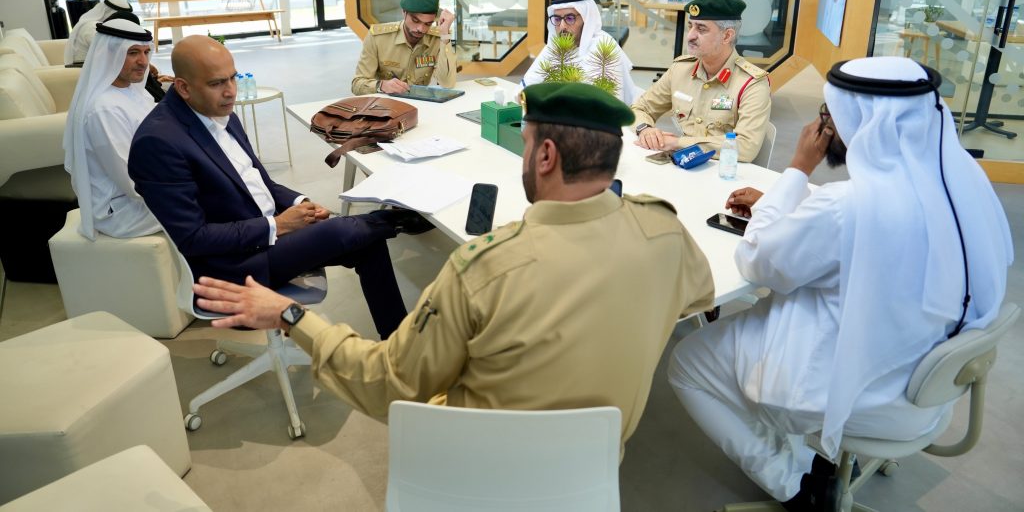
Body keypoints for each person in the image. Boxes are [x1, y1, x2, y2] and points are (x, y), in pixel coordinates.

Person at [192, 82, 716, 450]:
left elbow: (386, 384)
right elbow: (697, 298)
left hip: (481, 464)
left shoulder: (483, 269)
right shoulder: (665, 230)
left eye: (525, 144)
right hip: (596, 464)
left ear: (546, 156)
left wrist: (288, 315)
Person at [668, 57, 1012, 511]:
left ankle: (796, 487)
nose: (821, 127)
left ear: (860, 124)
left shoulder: (846, 206)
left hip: (850, 390)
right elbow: (862, 233)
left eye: (828, 116)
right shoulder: (964, 184)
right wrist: (789, 204)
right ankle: (805, 461)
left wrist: (797, 169)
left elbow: (756, 262)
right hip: (926, 384)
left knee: (688, 362)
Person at [128, 35, 433, 338]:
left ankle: (399, 345)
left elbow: (258, 181)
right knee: (343, 230)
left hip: (263, 235)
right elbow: (194, 239)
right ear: (183, 87)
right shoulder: (158, 142)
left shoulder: (216, 109)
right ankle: (395, 219)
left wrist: (300, 203)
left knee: (366, 242)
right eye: (217, 83)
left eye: (233, 78)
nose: (231, 91)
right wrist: (278, 225)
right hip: (234, 266)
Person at [631, 0, 771, 161]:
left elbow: (746, 146)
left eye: (701, 29)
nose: (690, 35)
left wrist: (677, 143)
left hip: (724, 171)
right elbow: (640, 108)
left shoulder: (751, 84)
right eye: (690, 26)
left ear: (727, 36)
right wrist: (645, 129)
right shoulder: (680, 70)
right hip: (683, 166)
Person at [62, 18, 162, 240]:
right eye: (133, 52)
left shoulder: (133, 91)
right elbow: (133, 181)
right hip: (122, 211)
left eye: (146, 52)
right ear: (109, 54)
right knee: (218, 201)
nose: (143, 61)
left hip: (146, 193)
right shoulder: (104, 109)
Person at [520, 0, 639, 104]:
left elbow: (612, 104)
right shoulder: (554, 48)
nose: (562, 26)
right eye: (557, 19)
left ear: (586, 19)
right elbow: (526, 89)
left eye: (570, 18)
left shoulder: (604, 47)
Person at [351, 0, 456, 95]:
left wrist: (445, 35)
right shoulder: (378, 38)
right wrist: (381, 86)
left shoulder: (437, 39)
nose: (421, 29)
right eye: (415, 21)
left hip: (420, 102)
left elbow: (447, 83)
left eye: (428, 24)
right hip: (386, 102)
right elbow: (357, 85)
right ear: (404, 13)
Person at [64, 0, 133, 66]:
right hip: (82, 66)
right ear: (108, 12)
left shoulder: (101, 25)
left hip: (96, 64)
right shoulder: (91, 27)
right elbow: (107, 50)